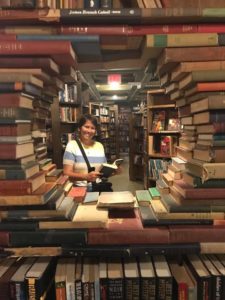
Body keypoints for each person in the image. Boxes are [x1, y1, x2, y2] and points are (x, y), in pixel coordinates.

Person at [63, 114, 108, 191]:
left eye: (92, 128)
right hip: (79, 190)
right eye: (86, 127)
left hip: (99, 188)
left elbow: (102, 171)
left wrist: (114, 171)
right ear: (79, 128)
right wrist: (85, 177)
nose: (89, 131)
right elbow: (66, 173)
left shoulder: (99, 146)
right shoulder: (72, 145)